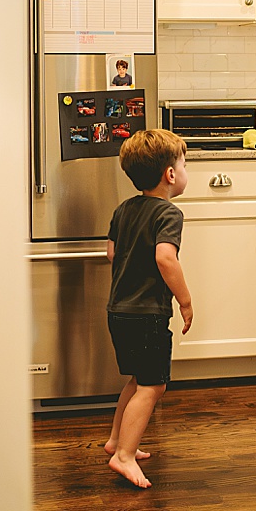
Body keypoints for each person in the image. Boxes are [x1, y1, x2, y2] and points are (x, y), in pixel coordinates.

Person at [104, 128, 195, 488]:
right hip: (147, 314)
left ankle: (117, 441)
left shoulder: (123, 209)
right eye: (184, 164)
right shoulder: (168, 213)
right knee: (153, 386)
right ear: (170, 174)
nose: (185, 171)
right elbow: (165, 258)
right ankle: (124, 456)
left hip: (118, 310)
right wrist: (185, 301)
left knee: (137, 379)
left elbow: (111, 252)